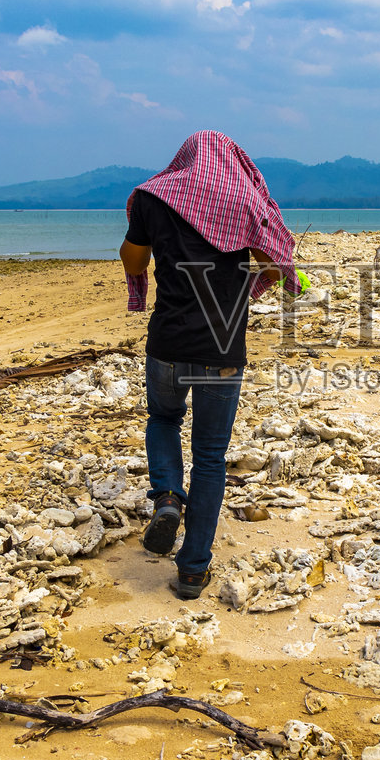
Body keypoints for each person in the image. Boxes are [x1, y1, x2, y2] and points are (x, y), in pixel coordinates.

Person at [120, 130, 301, 599]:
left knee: (162, 417)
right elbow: (270, 262)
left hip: (168, 342)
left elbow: (133, 258)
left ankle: (165, 497)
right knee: (210, 458)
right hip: (221, 352)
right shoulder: (243, 202)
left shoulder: (152, 198)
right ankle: (193, 569)